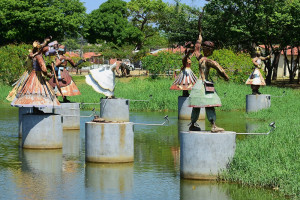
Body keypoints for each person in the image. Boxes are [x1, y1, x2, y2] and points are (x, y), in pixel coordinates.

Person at [188, 17, 229, 132]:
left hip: (197, 84)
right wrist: (226, 77)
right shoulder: (208, 61)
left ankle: (192, 124)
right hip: (204, 84)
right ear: (210, 50)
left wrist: (200, 33)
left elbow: (197, 46)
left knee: (196, 106)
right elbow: (220, 70)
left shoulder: (199, 57)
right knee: (210, 105)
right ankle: (213, 126)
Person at [11, 39, 60, 108]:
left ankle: (34, 109)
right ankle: (36, 109)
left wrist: (46, 41)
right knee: (38, 90)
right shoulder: (39, 56)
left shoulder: (33, 55)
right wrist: (47, 74)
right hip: (38, 76)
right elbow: (43, 68)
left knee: (31, 90)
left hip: (32, 75)